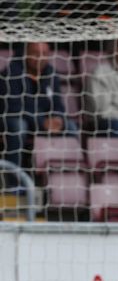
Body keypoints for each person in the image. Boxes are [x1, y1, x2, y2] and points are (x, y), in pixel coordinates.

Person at [0, 41, 78, 188]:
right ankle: (13, 184)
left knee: (71, 127)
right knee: (18, 127)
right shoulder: (11, 73)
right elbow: (14, 107)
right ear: (25, 53)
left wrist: (58, 118)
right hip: (19, 119)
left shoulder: (51, 73)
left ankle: (69, 183)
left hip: (45, 121)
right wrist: (42, 122)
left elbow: (58, 103)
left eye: (44, 54)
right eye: (35, 53)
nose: (40, 57)